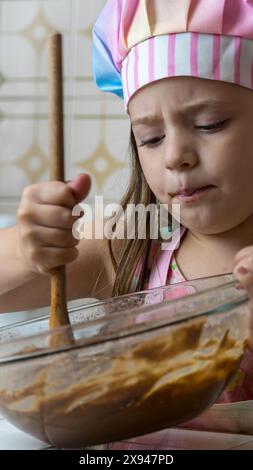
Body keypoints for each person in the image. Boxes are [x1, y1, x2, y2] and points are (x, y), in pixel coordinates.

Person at [0, 0, 253, 448]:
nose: (175, 155)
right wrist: (27, 248)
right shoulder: (134, 245)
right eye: (150, 138)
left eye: (210, 124)